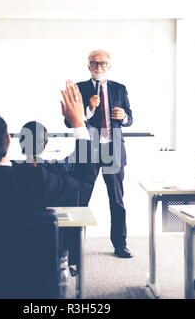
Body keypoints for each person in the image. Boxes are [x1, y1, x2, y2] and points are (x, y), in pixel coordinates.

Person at [0, 80, 96, 233]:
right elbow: (84, 179)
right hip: (27, 258)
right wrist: (78, 123)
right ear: (8, 139)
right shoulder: (38, 180)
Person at [65, 49, 134, 258]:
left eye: (102, 63)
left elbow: (130, 118)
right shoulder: (79, 88)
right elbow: (69, 121)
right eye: (94, 64)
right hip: (88, 150)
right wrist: (89, 109)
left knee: (117, 200)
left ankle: (120, 244)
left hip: (113, 149)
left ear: (109, 67)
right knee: (81, 200)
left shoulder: (120, 89)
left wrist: (123, 117)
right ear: (88, 66)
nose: (98, 67)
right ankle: (73, 247)